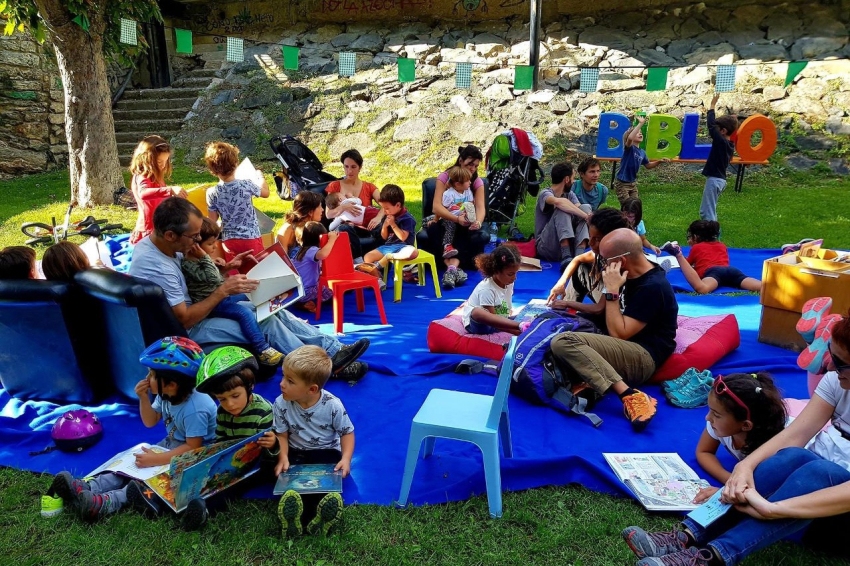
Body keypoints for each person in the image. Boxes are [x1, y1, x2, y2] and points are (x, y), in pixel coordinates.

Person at [621, 312, 850, 566]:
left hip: (837, 510)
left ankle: (710, 558)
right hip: (804, 484)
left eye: (840, 362)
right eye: (831, 353)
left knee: (821, 470)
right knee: (793, 455)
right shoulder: (837, 381)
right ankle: (685, 536)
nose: (829, 366)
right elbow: (795, 436)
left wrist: (774, 509)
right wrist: (744, 468)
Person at [128, 197, 369, 382]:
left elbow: (194, 283)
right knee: (265, 320)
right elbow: (183, 319)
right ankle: (320, 368)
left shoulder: (169, 247)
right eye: (193, 236)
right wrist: (223, 290)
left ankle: (333, 350)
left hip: (204, 312)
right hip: (187, 332)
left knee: (271, 306)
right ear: (170, 235)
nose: (198, 241)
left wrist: (225, 271)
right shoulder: (156, 266)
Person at [50, 337, 217, 522]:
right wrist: (143, 398)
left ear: (171, 384)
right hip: (172, 444)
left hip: (196, 455)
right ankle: (87, 488)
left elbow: (193, 447)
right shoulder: (167, 394)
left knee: (146, 480)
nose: (147, 378)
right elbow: (150, 421)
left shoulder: (196, 407)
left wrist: (156, 460)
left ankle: (104, 503)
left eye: (152, 375)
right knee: (129, 464)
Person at [549, 228, 678, 431]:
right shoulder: (629, 271)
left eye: (604, 259)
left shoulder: (653, 287)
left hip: (642, 354)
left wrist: (612, 291)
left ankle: (630, 395)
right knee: (554, 331)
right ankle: (590, 386)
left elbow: (620, 333)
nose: (601, 264)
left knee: (563, 342)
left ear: (621, 261)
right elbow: (603, 312)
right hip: (619, 343)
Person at [174, 346, 277, 531]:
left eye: (235, 396)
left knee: (233, 486)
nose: (229, 404)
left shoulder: (263, 411)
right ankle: (176, 502)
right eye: (222, 399)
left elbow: (273, 450)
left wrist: (272, 444)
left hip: (258, 465)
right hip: (231, 461)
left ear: (249, 387)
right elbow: (220, 440)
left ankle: (205, 510)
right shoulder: (222, 412)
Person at [271, 346, 355, 538]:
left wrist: (346, 459)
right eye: (283, 376)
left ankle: (323, 513)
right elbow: (281, 434)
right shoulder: (280, 403)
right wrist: (283, 456)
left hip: (326, 452)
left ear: (312, 389)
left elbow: (347, 432)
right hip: (296, 452)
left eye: (289, 381)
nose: (281, 384)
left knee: (325, 487)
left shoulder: (332, 405)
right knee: (291, 487)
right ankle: (295, 519)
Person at [181, 217, 283, 365]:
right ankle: (262, 348)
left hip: (222, 296)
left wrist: (225, 266)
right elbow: (214, 279)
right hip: (213, 304)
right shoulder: (188, 264)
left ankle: (278, 305)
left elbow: (214, 275)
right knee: (244, 313)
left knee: (249, 292)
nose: (215, 247)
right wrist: (206, 259)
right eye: (210, 244)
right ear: (195, 246)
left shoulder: (199, 260)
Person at [691, 372, 786, 505]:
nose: (707, 417)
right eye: (710, 410)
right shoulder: (719, 425)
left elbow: (771, 493)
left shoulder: (772, 451)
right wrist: (732, 481)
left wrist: (733, 489)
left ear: (746, 425)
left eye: (716, 414)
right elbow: (704, 452)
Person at [545, 208, 631, 326]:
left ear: (612, 239)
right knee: (581, 268)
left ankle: (566, 313)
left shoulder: (617, 262)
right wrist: (561, 283)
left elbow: (599, 309)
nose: (590, 243)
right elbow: (578, 259)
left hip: (615, 313)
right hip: (607, 297)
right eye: (590, 236)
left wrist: (567, 304)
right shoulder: (605, 253)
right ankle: (566, 313)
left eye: (597, 239)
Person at [430, 145, 488, 288]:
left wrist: (478, 222)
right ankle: (456, 269)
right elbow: (436, 207)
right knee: (434, 229)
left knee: (466, 232)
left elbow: (480, 207)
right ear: (460, 160)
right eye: (470, 164)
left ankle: (451, 269)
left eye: (476, 166)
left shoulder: (476, 181)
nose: (473, 169)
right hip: (449, 218)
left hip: (466, 221)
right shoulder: (445, 177)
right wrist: (456, 219)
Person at [204, 141, 270, 260]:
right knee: (257, 272)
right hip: (251, 238)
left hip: (229, 241)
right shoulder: (246, 184)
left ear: (213, 170)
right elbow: (265, 193)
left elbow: (212, 222)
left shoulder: (211, 192)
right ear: (235, 164)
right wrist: (261, 177)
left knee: (235, 272)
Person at [662, 220, 761, 294]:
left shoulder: (697, 247)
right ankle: (770, 285)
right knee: (761, 287)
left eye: (689, 237)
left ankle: (676, 252)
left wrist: (681, 258)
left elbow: (687, 264)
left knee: (703, 289)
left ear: (695, 237)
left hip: (714, 273)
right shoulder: (721, 245)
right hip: (731, 271)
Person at [128, 135, 187, 245]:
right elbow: (143, 193)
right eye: (159, 162)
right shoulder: (143, 176)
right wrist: (169, 190)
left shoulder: (155, 175)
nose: (163, 165)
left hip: (159, 227)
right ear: (147, 159)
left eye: (166, 161)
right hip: (148, 230)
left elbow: (158, 199)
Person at [534, 162, 591, 271]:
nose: (574, 182)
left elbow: (580, 209)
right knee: (562, 208)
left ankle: (579, 256)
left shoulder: (569, 194)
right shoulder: (545, 194)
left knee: (586, 207)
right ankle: (566, 255)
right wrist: (586, 216)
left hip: (571, 247)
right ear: (567, 179)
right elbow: (560, 203)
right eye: (573, 178)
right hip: (546, 247)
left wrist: (587, 215)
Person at [356, 184, 419, 279]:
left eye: (387, 208)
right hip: (389, 247)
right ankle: (378, 278)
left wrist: (393, 224)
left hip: (404, 247)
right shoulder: (387, 216)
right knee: (367, 257)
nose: (384, 211)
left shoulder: (407, 219)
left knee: (414, 252)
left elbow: (403, 237)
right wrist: (385, 226)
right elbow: (384, 237)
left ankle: (388, 258)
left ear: (398, 205)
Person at [463, 244, 527, 336]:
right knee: (477, 312)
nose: (514, 278)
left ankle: (521, 325)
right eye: (510, 274)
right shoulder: (486, 289)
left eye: (515, 273)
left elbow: (505, 310)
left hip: (502, 319)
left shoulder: (508, 283)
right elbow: (494, 322)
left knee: (530, 317)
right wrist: (516, 330)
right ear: (496, 271)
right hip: (481, 325)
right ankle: (519, 325)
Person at [700, 93, 738, 222]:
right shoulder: (729, 144)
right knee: (710, 211)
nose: (714, 131)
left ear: (723, 131)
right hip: (719, 180)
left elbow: (711, 126)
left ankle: (713, 239)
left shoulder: (721, 142)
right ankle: (714, 237)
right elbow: (714, 127)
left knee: (706, 213)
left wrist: (712, 106)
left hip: (715, 181)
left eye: (718, 129)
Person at [614, 116, 667, 204]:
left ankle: (633, 218)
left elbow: (648, 165)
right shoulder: (629, 149)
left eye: (641, 132)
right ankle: (622, 218)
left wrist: (659, 161)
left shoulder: (642, 152)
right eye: (637, 132)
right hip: (622, 183)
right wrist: (641, 124)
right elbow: (630, 138)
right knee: (627, 206)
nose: (640, 133)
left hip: (632, 183)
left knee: (635, 205)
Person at [292, 221, 338, 313]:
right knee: (332, 292)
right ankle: (304, 303)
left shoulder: (301, 251)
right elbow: (323, 254)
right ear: (320, 239)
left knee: (326, 287)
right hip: (306, 291)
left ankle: (302, 302)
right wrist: (332, 239)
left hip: (296, 290)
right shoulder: (312, 250)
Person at [438, 165, 475, 259]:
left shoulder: (467, 191)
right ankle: (447, 246)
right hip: (449, 217)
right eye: (468, 181)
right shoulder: (449, 194)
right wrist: (435, 219)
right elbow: (442, 210)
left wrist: (466, 214)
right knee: (450, 224)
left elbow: (470, 204)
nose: (470, 182)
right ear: (458, 184)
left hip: (461, 216)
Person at [276, 191, 324, 256]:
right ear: (310, 212)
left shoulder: (314, 227)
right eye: (320, 206)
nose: (322, 210)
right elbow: (282, 258)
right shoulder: (288, 229)